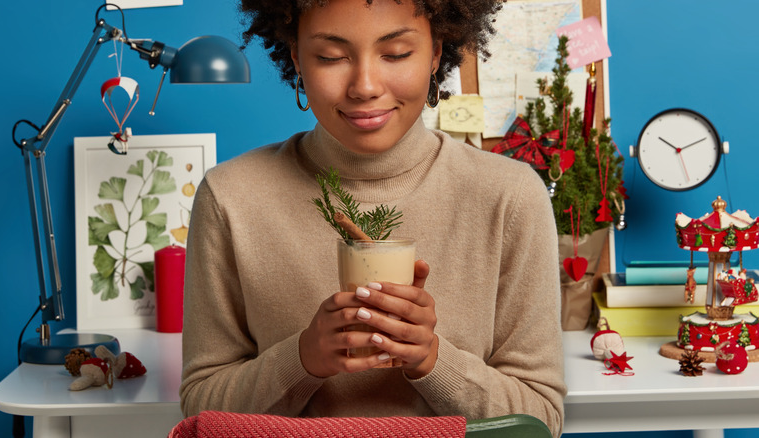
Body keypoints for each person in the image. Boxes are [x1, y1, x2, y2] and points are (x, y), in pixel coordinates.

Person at [179, 0, 566, 436]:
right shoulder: (230, 196)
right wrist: (303, 358)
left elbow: (540, 420)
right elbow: (200, 409)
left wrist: (432, 359)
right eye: (330, 56)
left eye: (397, 53)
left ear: (437, 52)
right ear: (296, 58)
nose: (364, 85)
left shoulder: (510, 196)